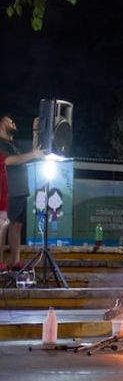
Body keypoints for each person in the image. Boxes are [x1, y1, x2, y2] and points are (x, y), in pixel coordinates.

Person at [0, 114, 43, 268]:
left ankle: (15, 261)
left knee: (16, 226)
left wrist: (36, 130)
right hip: (7, 190)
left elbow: (36, 149)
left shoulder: (15, 145)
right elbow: (9, 161)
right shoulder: (1, 144)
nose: (13, 122)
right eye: (8, 120)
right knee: (4, 225)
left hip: (20, 190)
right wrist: (32, 155)